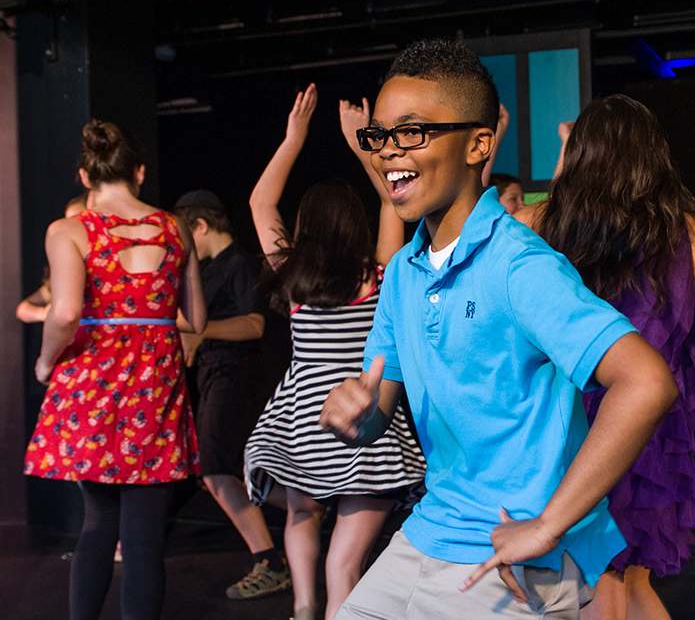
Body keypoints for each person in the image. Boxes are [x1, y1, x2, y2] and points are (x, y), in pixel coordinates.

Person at [320, 38, 677, 619]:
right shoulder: (404, 275)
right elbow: (376, 414)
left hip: (505, 555)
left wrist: (548, 525)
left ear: (478, 144)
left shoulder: (519, 266)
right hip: (426, 532)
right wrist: (354, 419)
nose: (389, 151)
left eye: (411, 132)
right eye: (379, 136)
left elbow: (647, 382)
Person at [532, 94, 695, 620]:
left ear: (580, 155)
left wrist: (566, 157)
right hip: (645, 429)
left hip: (571, 425)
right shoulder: (682, 230)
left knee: (604, 584)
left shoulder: (546, 225)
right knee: (627, 584)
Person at [244, 84, 425, 620]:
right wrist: (362, 147)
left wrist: (294, 137)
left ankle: (302, 609)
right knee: (345, 564)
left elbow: (259, 202)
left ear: (305, 228)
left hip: (303, 419)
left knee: (301, 517)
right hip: (361, 413)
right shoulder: (378, 274)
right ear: (354, 225)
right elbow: (396, 197)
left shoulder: (292, 276)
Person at [23, 119, 205, 620]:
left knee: (98, 518)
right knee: (144, 538)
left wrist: (44, 362)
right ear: (139, 172)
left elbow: (63, 313)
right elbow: (198, 319)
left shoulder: (69, 229)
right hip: (155, 385)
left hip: (92, 382)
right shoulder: (175, 227)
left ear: (85, 176)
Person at [173, 189, 291, 600]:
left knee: (218, 471)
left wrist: (200, 331)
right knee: (229, 472)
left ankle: (270, 560)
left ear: (200, 226)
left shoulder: (239, 264)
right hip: (213, 375)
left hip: (238, 377)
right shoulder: (208, 270)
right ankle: (307, 509)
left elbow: (255, 324)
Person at [16, 194, 88, 324]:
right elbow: (23, 309)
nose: (72, 229)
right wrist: (44, 313)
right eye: (68, 222)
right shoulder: (64, 271)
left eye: (80, 223)